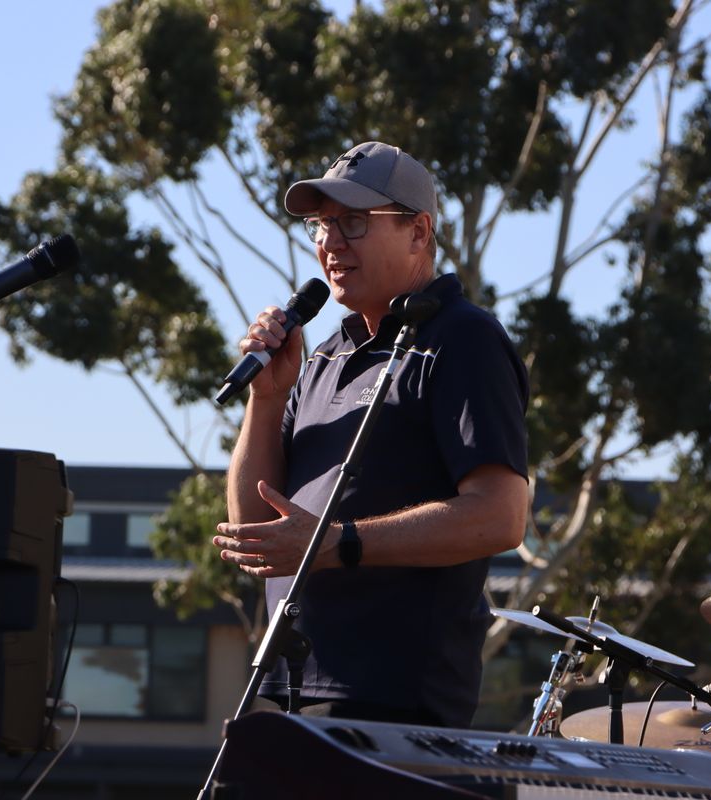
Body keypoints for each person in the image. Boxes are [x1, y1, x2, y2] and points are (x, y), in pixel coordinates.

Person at [212, 141, 529, 729]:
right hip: (289, 691)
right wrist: (267, 398)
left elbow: (500, 517)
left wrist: (339, 542)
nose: (330, 242)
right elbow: (254, 531)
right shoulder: (324, 356)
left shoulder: (462, 339)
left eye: (354, 221)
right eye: (321, 225)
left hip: (394, 702)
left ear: (418, 231)